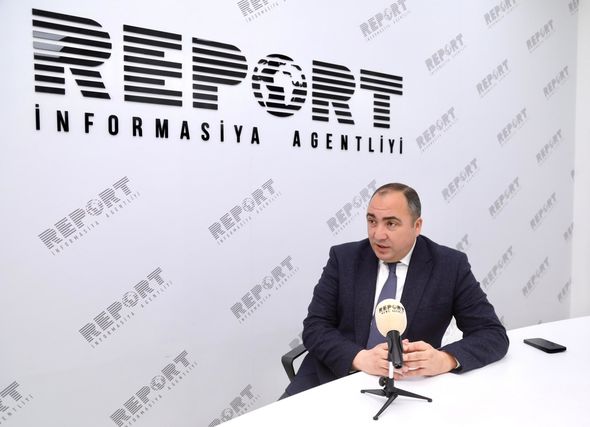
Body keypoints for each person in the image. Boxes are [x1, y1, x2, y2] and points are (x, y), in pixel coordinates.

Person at [284, 183, 509, 396]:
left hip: (407, 387)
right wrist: (359, 358)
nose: (378, 234)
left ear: (416, 226)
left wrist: (445, 359)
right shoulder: (344, 259)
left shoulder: (449, 266)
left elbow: (491, 333)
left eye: (391, 224)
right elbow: (315, 327)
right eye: (372, 221)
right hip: (333, 375)